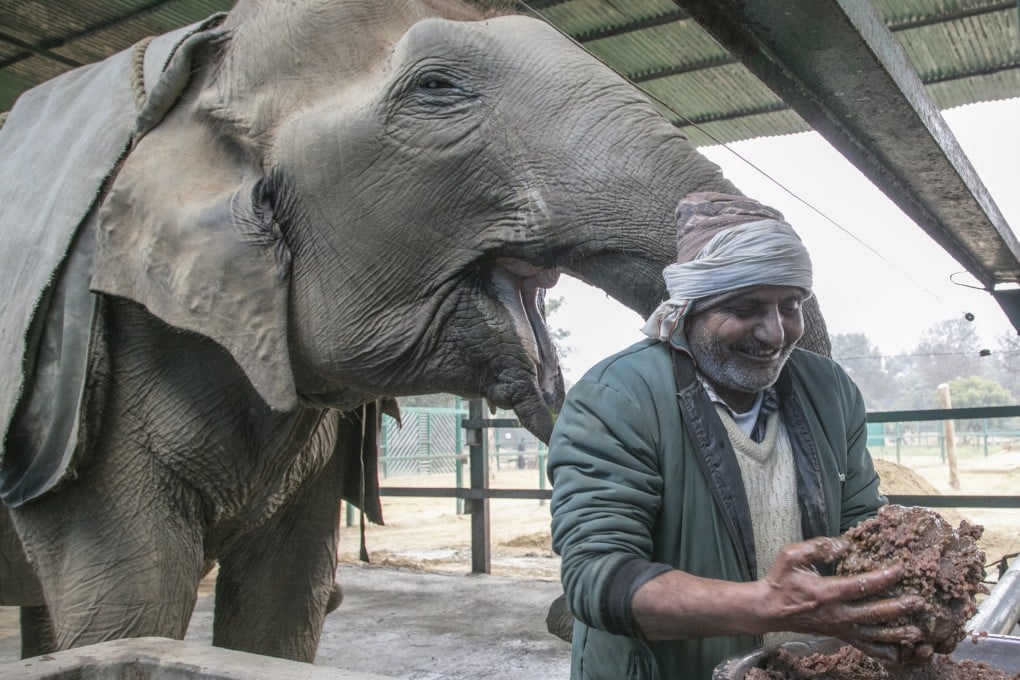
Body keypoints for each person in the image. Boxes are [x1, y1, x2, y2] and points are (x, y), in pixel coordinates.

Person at [547, 192, 927, 680]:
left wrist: (912, 573)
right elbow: (596, 578)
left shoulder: (829, 390)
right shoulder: (617, 398)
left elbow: (860, 524)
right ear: (690, 307)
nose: (774, 333)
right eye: (747, 308)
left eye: (789, 306)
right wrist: (766, 606)